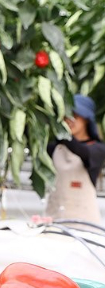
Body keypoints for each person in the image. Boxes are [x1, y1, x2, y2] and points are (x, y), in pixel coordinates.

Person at [45, 94, 105, 223]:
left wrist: (62, 131)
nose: (70, 120)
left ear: (87, 119)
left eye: (75, 116)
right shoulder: (56, 148)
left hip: (85, 226)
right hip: (54, 222)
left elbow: (80, 151)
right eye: (66, 116)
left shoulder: (97, 149)